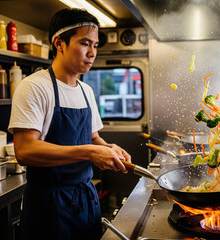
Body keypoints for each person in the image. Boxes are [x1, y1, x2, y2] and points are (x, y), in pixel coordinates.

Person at [8, 8, 131, 240]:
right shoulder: (34, 87)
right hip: (49, 206)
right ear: (59, 43)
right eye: (85, 43)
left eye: (95, 45)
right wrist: (89, 152)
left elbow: (93, 138)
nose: (92, 53)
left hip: (85, 201)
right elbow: (24, 150)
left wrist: (109, 148)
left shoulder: (86, 90)